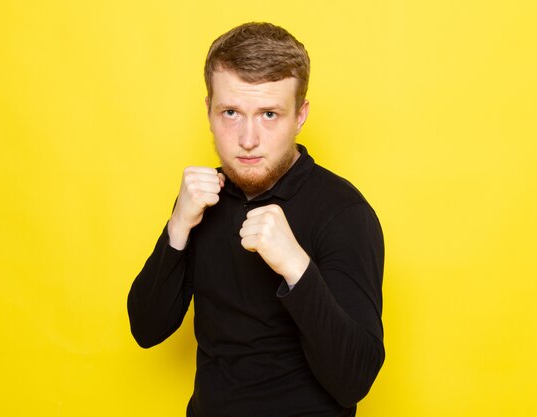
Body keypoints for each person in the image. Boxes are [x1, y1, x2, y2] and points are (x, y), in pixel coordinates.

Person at [127, 22, 385, 417]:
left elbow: (354, 380)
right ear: (209, 111)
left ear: (300, 116)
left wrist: (296, 268)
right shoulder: (202, 201)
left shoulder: (343, 213)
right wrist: (177, 227)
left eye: (269, 114)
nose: (248, 139)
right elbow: (146, 329)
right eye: (231, 112)